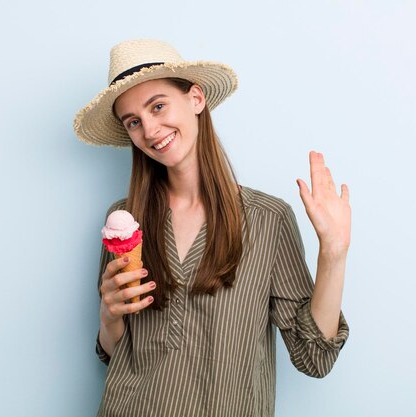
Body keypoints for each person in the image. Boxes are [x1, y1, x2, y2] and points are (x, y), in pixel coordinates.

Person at [73, 39, 351, 417]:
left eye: (158, 106)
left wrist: (333, 253)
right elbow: (116, 353)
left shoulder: (268, 219)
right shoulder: (125, 220)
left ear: (196, 99)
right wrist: (110, 315)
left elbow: (313, 357)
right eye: (134, 122)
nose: (151, 130)